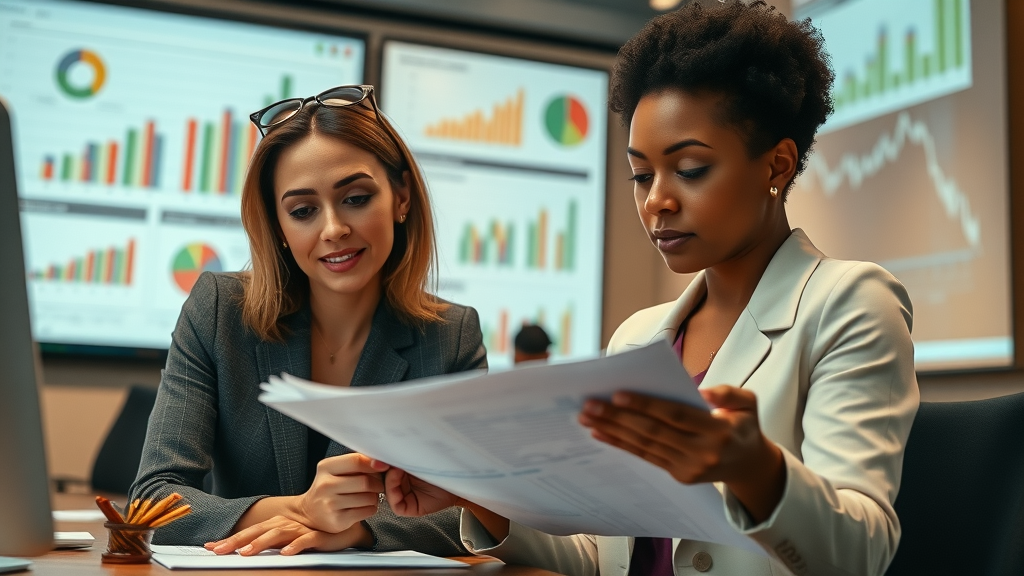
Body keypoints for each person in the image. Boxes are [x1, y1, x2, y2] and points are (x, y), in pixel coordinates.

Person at [380, 3, 920, 575]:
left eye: (689, 169)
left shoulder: (851, 303)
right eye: (642, 175)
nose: (656, 200)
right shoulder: (637, 337)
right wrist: (477, 494)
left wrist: (757, 471)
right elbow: (604, 557)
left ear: (777, 166)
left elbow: (861, 554)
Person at [129, 85, 486, 557]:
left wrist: (356, 531)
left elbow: (477, 510)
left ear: (401, 197)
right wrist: (302, 509)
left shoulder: (451, 336)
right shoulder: (218, 310)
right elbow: (152, 501)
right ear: (278, 225)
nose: (333, 229)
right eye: (302, 211)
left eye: (356, 198)